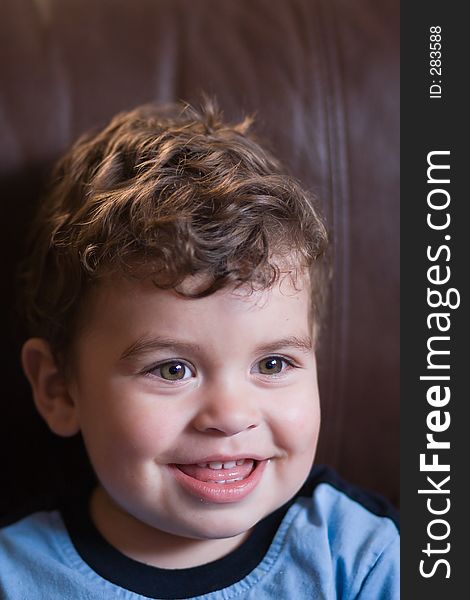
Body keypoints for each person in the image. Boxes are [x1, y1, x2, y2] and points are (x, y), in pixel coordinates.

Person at [0, 100, 399, 599]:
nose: (230, 417)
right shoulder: (14, 576)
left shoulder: (363, 558)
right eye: (171, 370)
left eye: (273, 363)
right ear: (59, 389)